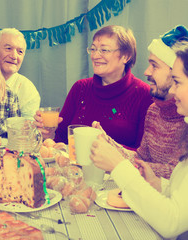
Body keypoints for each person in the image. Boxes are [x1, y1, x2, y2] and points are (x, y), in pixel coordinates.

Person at [90, 39, 188, 239]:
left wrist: (118, 165)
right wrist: (111, 144)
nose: (146, 72)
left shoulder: (183, 122)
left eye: (178, 82)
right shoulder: (155, 111)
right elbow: (178, 186)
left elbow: (172, 222)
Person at [93, 26, 188, 179]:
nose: (147, 72)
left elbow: (177, 175)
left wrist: (117, 162)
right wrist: (107, 141)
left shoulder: (184, 118)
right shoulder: (154, 110)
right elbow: (140, 158)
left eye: (154, 66)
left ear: (175, 72)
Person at [36, 25, 153, 149]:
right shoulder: (80, 88)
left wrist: (105, 148)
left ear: (126, 56)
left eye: (104, 50)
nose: (95, 56)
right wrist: (49, 134)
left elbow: (143, 155)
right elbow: (61, 140)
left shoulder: (144, 94)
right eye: (93, 49)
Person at [0, 28, 40, 119]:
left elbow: (28, 129)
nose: (14, 56)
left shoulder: (28, 90)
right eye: (8, 48)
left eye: (20, 52)